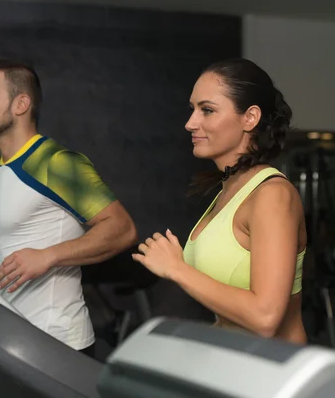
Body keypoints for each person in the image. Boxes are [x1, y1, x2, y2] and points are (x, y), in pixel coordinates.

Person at [0, 59, 138, 357]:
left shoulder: (57, 162)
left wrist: (48, 256)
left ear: (21, 104)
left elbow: (122, 229)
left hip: (58, 340)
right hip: (12, 337)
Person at [131, 58, 307, 345]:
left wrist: (177, 268)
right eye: (193, 110)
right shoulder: (228, 191)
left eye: (207, 110)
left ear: (250, 118)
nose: (190, 123)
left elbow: (265, 318)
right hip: (233, 361)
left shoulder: (271, 194)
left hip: (271, 374)